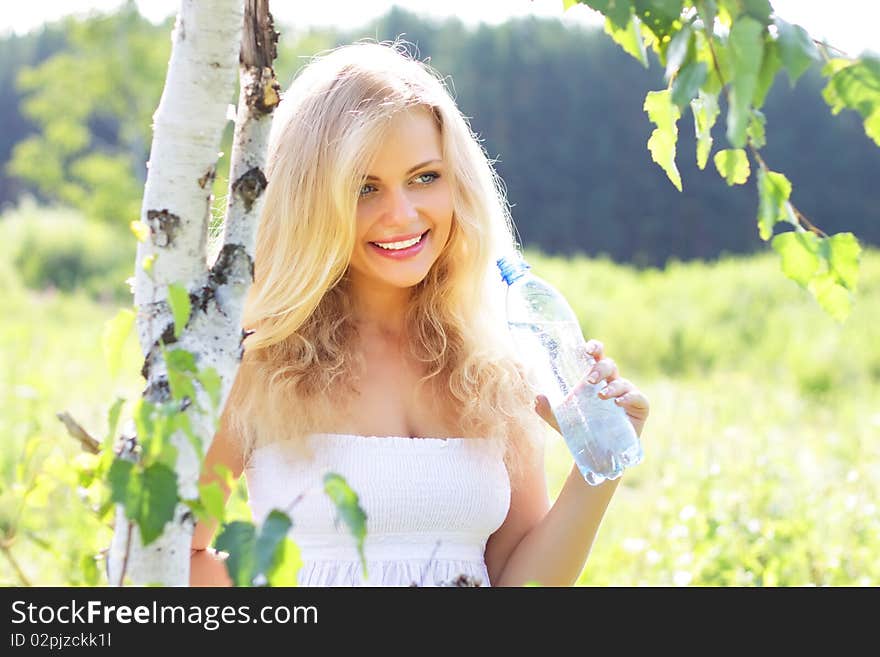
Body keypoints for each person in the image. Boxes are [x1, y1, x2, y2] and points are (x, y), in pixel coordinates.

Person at [189, 41, 650, 587]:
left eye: (425, 177)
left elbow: (517, 584)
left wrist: (601, 465)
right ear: (311, 201)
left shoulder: (495, 363)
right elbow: (171, 552)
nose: (402, 215)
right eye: (365, 188)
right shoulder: (254, 356)